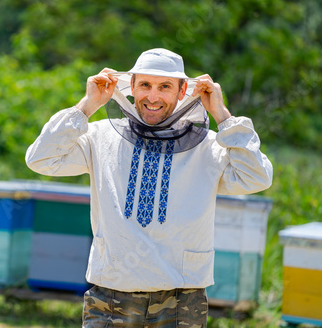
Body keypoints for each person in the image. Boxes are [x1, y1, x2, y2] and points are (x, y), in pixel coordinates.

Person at [25, 48, 273, 327]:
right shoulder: (100, 136)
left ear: (182, 92)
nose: (152, 97)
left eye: (164, 87)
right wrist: (86, 105)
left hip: (181, 301)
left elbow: (257, 177)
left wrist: (222, 115)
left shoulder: (209, 146)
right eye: (145, 85)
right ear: (131, 87)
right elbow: (41, 159)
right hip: (110, 295)